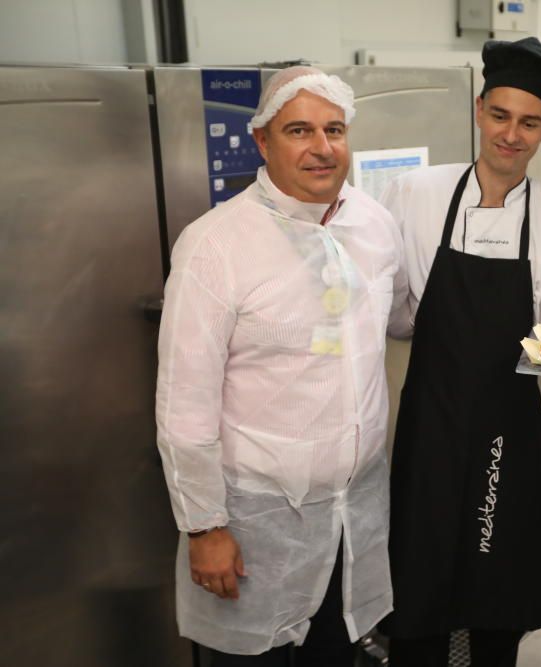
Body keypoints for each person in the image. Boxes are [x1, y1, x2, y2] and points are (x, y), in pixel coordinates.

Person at [155, 66, 406, 666]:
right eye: (300, 131)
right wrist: (205, 527)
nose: (322, 148)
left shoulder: (372, 224)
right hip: (256, 528)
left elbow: (398, 322)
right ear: (263, 142)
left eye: (335, 129)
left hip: (355, 515)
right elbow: (183, 403)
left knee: (336, 654)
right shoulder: (215, 244)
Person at [378, 37, 541, 667]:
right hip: (428, 425)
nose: (511, 134)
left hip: (507, 431)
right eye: (500, 115)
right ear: (478, 110)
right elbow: (397, 315)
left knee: (495, 589)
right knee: (418, 585)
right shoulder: (415, 196)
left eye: (529, 122)